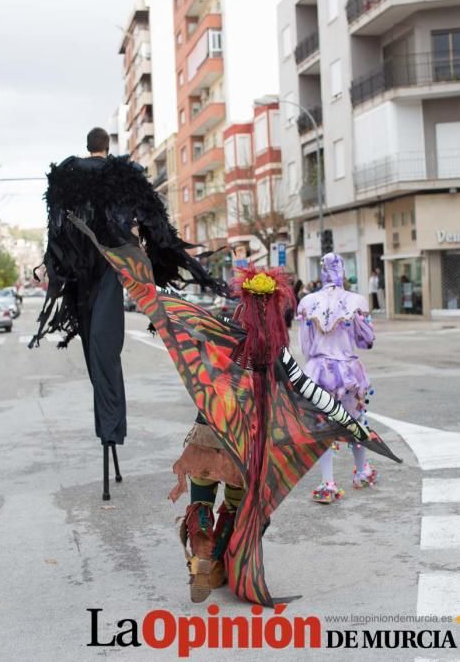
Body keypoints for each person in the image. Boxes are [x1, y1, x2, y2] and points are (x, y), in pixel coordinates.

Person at [69, 217, 401, 605]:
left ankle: (204, 556)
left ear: (243, 303)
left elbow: (173, 308)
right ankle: (224, 562)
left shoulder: (221, 331)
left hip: (209, 435)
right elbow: (313, 394)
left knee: (203, 499)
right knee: (236, 507)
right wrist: (356, 428)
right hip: (248, 446)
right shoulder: (276, 353)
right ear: (276, 312)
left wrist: (129, 267)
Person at [30, 127, 226, 500]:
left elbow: (54, 230)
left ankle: (109, 428)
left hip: (79, 280)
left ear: (87, 147)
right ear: (107, 147)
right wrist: (153, 257)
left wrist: (51, 266)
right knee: (107, 351)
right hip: (108, 271)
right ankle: (110, 429)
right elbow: (153, 221)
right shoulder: (121, 175)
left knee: (97, 353)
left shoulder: (66, 176)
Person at [298, 253, 376, 503]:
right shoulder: (356, 301)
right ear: (342, 270)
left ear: (321, 272)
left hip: (318, 370)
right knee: (356, 421)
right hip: (348, 372)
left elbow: (306, 346)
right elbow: (366, 341)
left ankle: (328, 483)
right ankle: (362, 473)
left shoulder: (308, 302)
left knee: (324, 425)